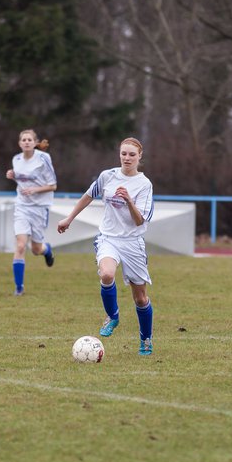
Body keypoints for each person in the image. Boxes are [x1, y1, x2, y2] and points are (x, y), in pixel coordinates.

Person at [57, 137, 156, 356]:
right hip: (108, 238)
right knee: (107, 274)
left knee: (140, 298)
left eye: (132, 154)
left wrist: (129, 200)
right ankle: (113, 316)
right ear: (119, 154)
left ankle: (146, 339)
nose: (127, 158)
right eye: (123, 153)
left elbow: (140, 221)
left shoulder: (144, 184)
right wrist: (68, 219)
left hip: (132, 242)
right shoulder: (107, 176)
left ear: (140, 156)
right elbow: (88, 196)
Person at [5, 129, 58, 295]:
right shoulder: (16, 159)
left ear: (35, 143)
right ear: (20, 143)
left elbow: (53, 185)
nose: (26, 142)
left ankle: (46, 250)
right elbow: (23, 180)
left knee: (35, 249)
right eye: (23, 140)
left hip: (40, 207)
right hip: (22, 206)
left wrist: (35, 190)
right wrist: (13, 176)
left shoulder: (44, 158)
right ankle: (19, 288)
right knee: (20, 246)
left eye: (29, 139)